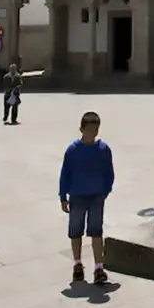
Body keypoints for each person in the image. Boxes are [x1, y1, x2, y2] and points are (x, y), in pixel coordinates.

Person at [59, 111, 114, 285]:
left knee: (96, 231)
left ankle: (99, 267)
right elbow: (65, 174)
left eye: (96, 130)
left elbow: (109, 173)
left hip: (97, 196)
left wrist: (105, 191)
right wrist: (63, 196)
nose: (93, 133)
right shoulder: (73, 150)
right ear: (81, 129)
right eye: (90, 130)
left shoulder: (103, 149)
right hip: (77, 196)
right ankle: (77, 264)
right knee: (76, 231)